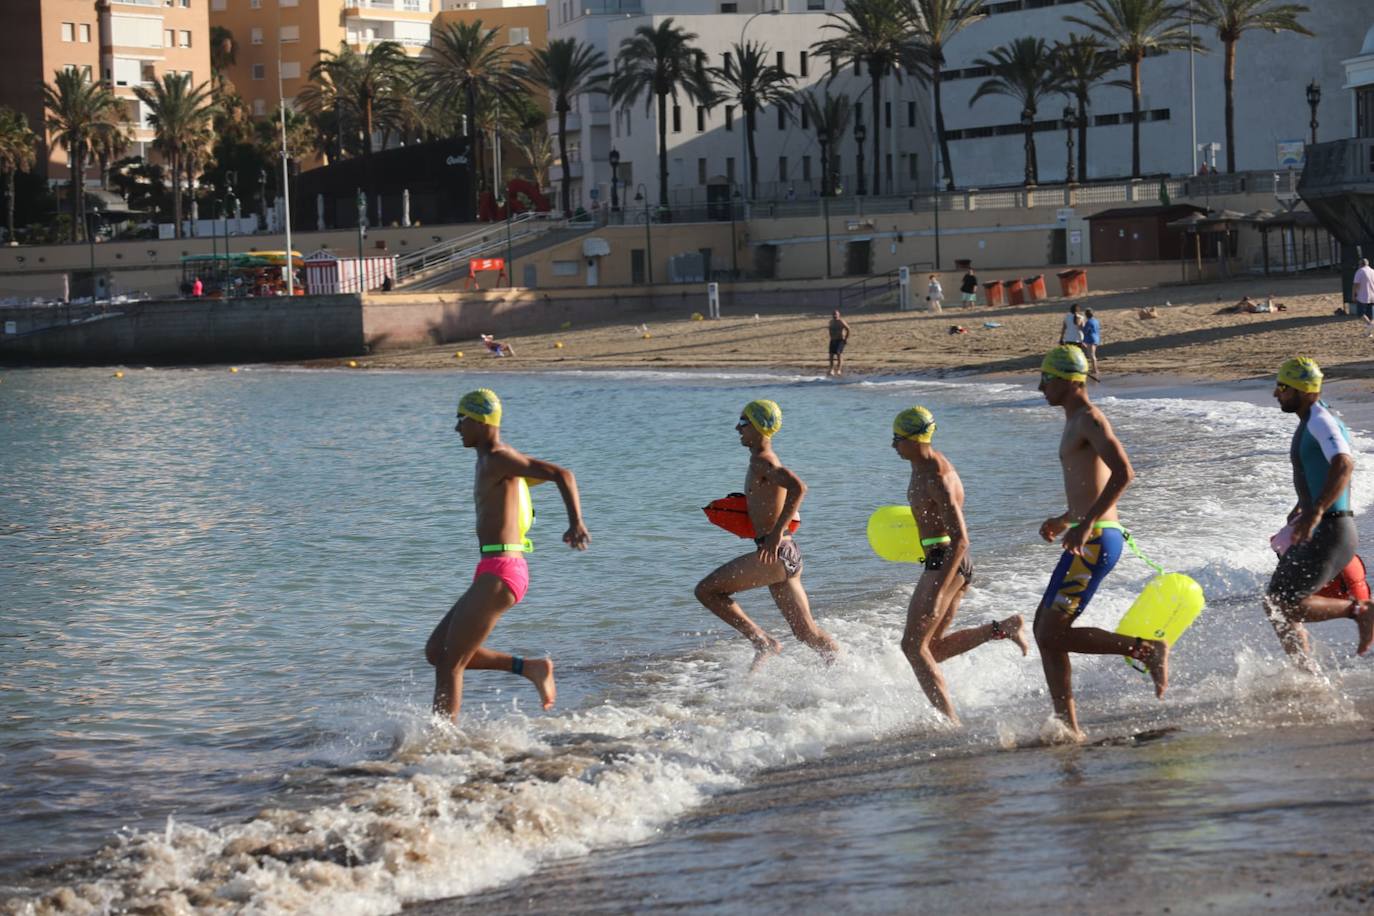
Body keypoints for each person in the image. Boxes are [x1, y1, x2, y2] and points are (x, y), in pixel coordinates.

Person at [425, 389, 590, 723]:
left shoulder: (499, 457)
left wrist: (576, 523)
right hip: (491, 567)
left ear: (482, 421)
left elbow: (563, 474)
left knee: (450, 663)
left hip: (503, 570)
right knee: (436, 652)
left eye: (461, 419)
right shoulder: (492, 462)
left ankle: (439, 743)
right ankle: (530, 667)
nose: (457, 428)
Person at [1032, 346, 1168, 741]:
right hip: (1087, 534)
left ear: (1071, 381)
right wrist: (1066, 519)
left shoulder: (1089, 418)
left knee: (1051, 632)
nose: (1041, 387)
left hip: (1096, 541)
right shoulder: (1074, 420)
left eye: (1047, 379)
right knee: (1046, 631)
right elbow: (1087, 485)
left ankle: (1146, 650)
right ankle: (1068, 728)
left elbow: (1125, 472)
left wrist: (1087, 523)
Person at [892, 406, 1028, 725]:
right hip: (947, 561)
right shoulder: (922, 464)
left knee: (912, 647)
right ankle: (1001, 629)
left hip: (946, 562)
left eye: (897, 438)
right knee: (932, 650)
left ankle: (950, 722)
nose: (893, 445)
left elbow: (961, 538)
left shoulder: (936, 476)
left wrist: (938, 590)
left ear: (914, 439)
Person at [695, 400, 839, 670]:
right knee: (806, 633)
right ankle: (843, 668)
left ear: (758, 427)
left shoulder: (763, 461)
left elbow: (799, 487)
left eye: (743, 423)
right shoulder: (760, 461)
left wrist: (773, 535)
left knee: (707, 591)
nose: (737, 429)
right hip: (788, 555)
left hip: (776, 552)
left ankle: (762, 641)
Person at [1263, 358, 1374, 666]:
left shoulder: (1320, 419)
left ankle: (1361, 610)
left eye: (1282, 388)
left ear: (1302, 389)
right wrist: (1304, 505)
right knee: (1277, 601)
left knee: (1284, 602)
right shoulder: (1311, 419)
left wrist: (1316, 511)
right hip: (1324, 524)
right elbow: (1323, 468)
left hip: (1331, 528)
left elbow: (1344, 463)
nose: (1277, 394)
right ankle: (1305, 671)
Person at [827, 310, 851, 377]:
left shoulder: (841, 321)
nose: (834, 315)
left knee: (838, 353)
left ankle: (839, 370)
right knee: (831, 355)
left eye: (836, 314)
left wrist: (846, 339)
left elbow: (848, 329)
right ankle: (831, 369)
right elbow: (830, 330)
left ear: (839, 315)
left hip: (840, 340)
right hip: (833, 340)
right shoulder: (831, 322)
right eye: (833, 314)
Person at [1081, 307, 1101, 375]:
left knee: (1091, 355)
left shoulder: (1088, 322)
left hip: (1091, 339)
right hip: (1096, 338)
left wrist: (1081, 326)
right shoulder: (1096, 321)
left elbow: (1085, 331)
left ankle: (1095, 369)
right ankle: (1094, 369)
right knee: (1091, 354)